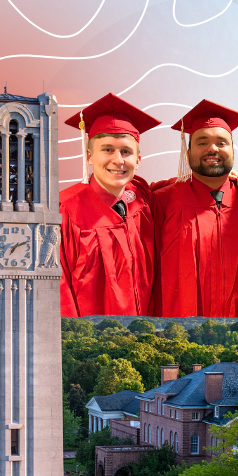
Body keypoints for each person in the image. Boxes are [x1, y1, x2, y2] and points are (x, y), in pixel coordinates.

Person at [150, 99, 238, 317]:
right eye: (202, 142)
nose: (213, 148)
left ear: (233, 150)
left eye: (222, 143)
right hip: (180, 332)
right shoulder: (162, 202)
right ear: (188, 151)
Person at [60, 93, 160, 317]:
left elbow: (173, 192)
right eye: (107, 150)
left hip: (144, 336)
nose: (118, 160)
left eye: (126, 151)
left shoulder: (142, 200)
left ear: (138, 160)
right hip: (92, 342)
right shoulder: (65, 210)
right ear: (89, 156)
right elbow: (59, 291)